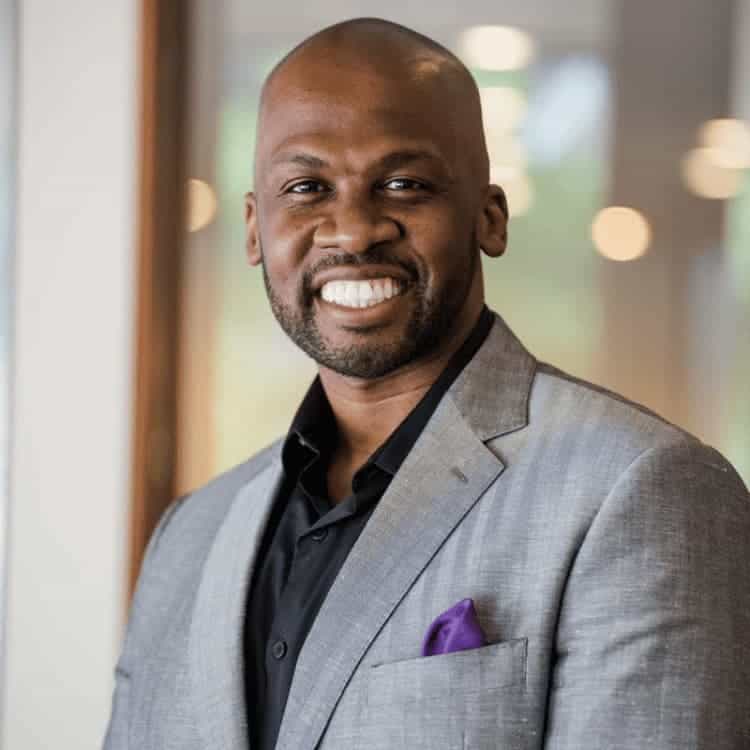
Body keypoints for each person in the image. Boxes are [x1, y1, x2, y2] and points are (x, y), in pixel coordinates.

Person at [103, 17, 750, 750]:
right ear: (255, 229)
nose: (353, 229)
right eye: (307, 187)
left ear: (490, 217)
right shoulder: (190, 535)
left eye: (404, 184)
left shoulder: (642, 489)